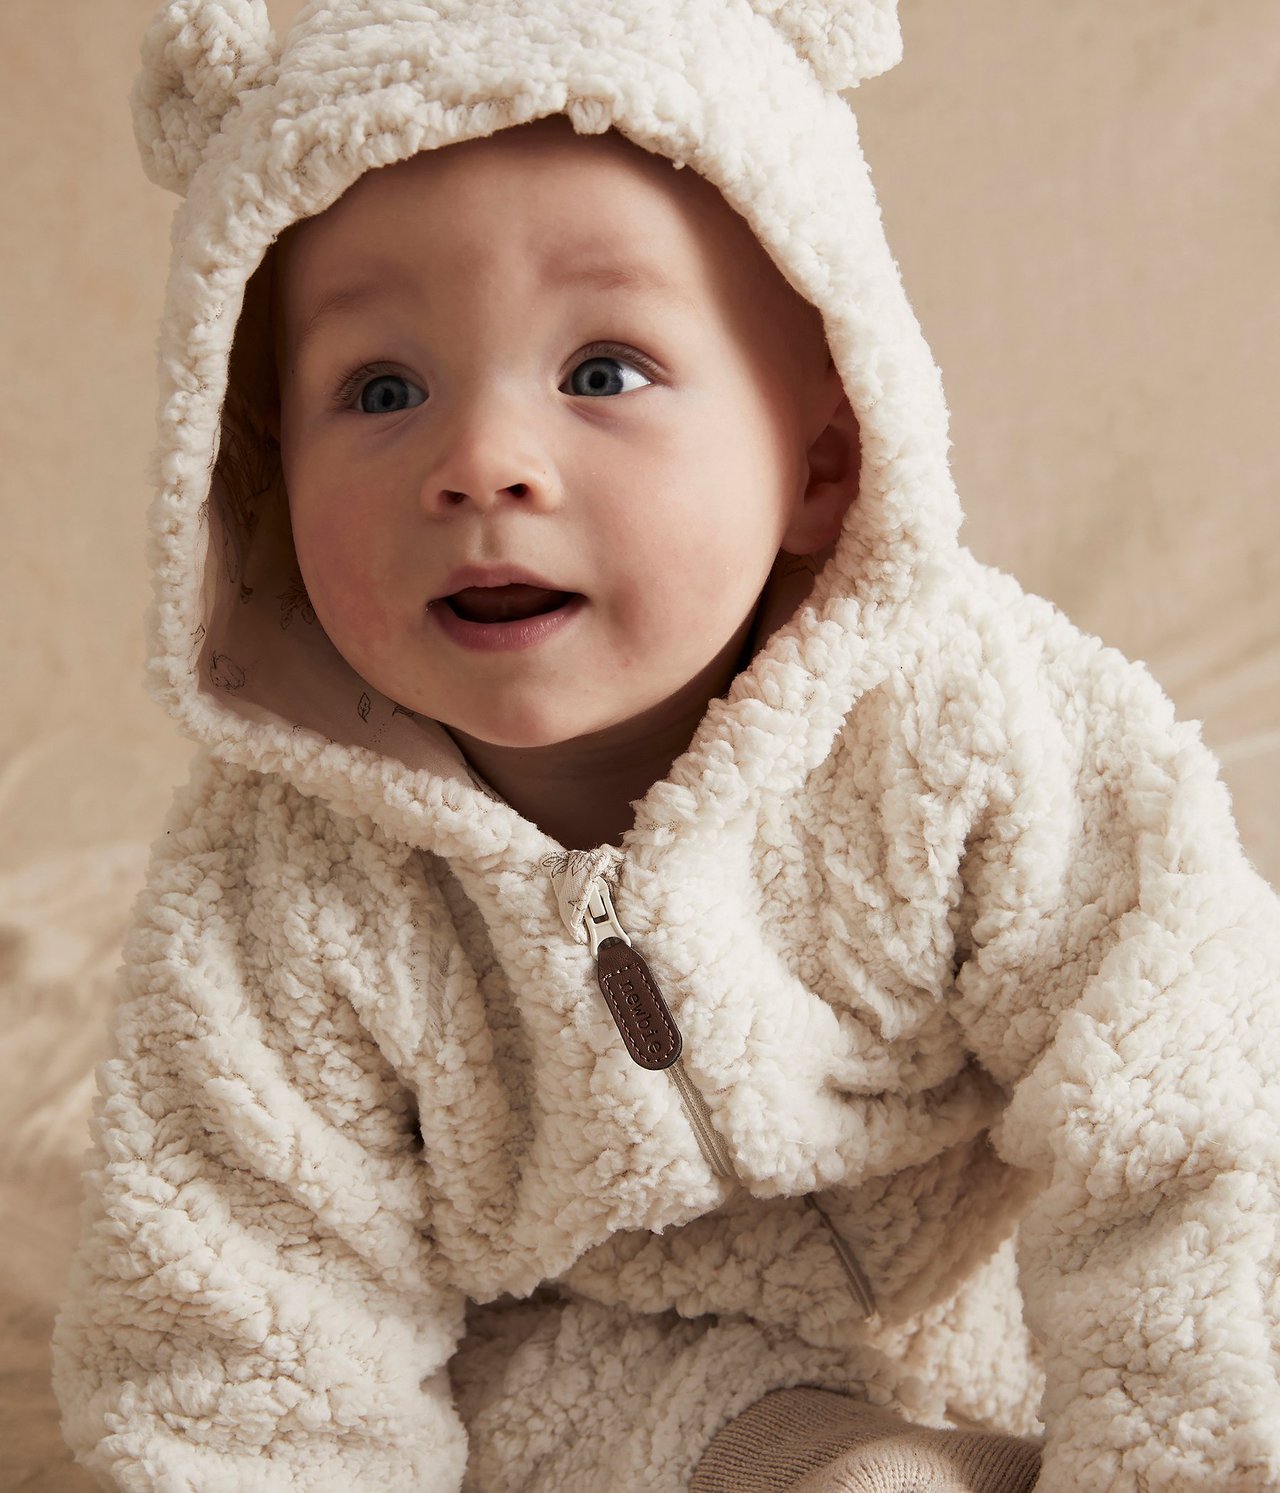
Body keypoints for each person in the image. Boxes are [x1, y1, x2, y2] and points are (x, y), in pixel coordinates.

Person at [51, 0, 1280, 1489]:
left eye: (604, 371)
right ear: (254, 479)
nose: (481, 464)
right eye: (381, 389)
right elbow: (244, 1332)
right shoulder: (275, 886)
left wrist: (1184, 1456)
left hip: (982, 1294)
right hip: (582, 1372)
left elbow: (1195, 1090)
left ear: (823, 458)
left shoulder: (973, 728)